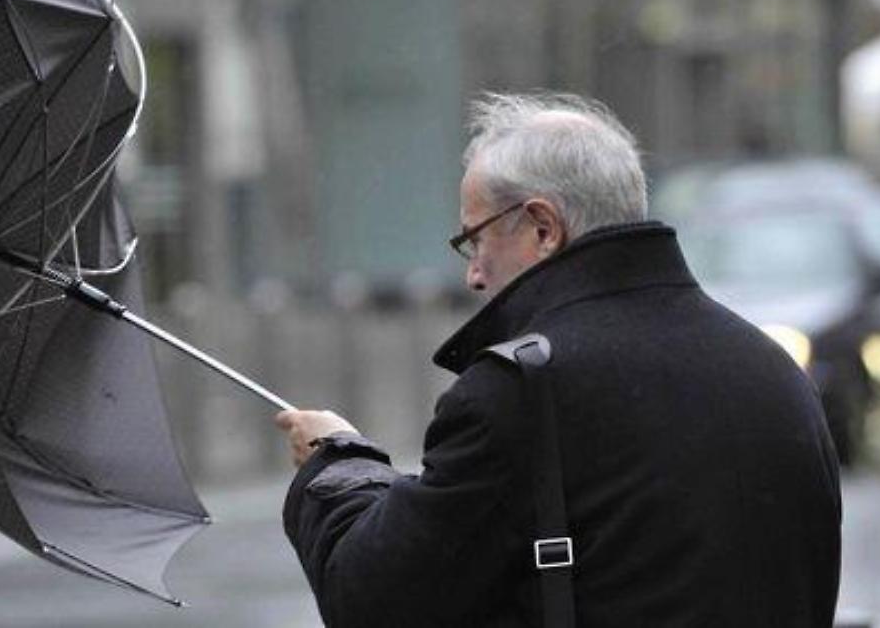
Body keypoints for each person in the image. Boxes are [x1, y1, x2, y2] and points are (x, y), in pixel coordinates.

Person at [275, 92, 842, 627]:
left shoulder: (522, 392)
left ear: (544, 228)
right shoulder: (773, 369)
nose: (473, 274)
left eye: (474, 240)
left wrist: (339, 465)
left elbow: (374, 600)